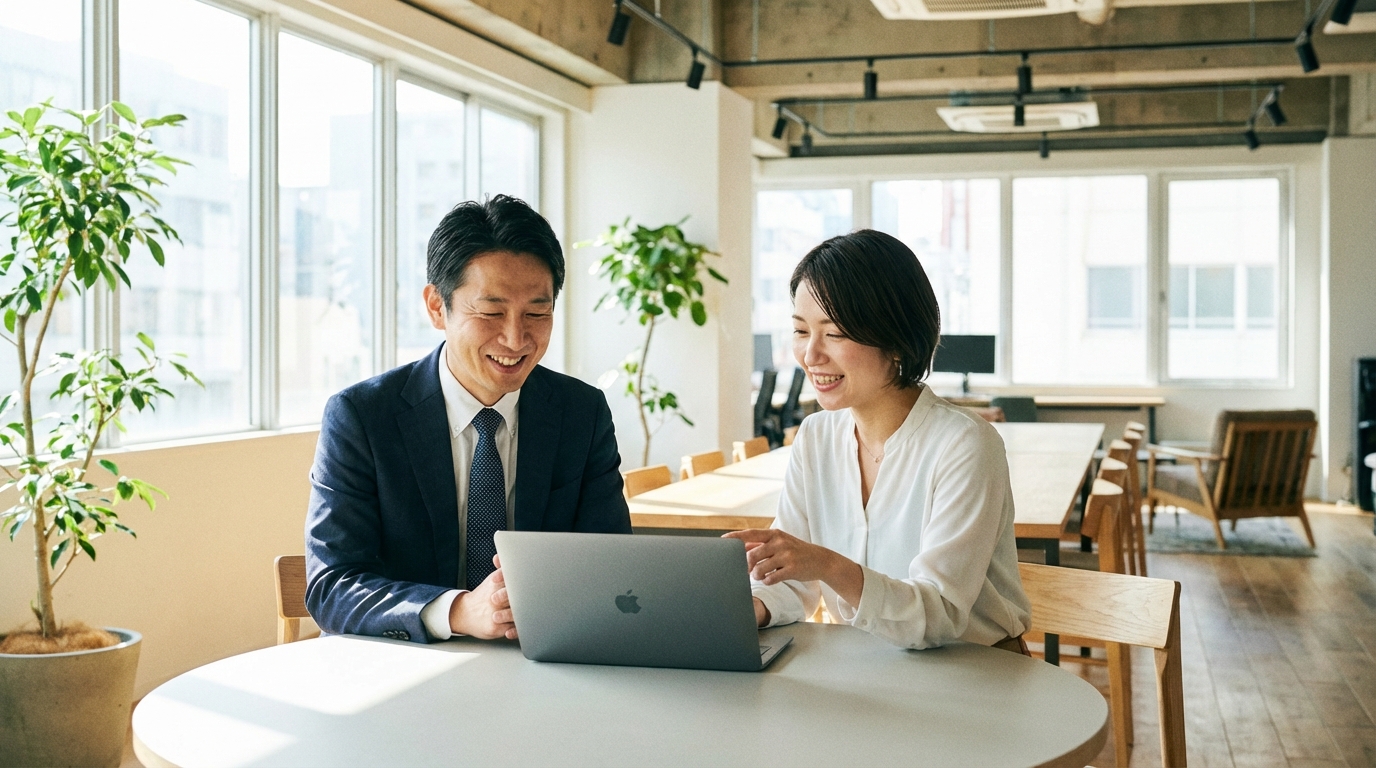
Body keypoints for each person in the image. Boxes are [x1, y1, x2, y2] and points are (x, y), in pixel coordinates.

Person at [305, 195, 632, 644]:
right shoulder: (362, 417)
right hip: (398, 672)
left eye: (537, 312)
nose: (516, 338)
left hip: (540, 666)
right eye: (491, 312)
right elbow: (333, 586)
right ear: (437, 307)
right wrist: (459, 611)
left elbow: (612, 565)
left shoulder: (581, 413)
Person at [726, 229, 1030, 652]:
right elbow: (792, 584)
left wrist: (828, 565)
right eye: (800, 331)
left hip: (975, 675)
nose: (810, 355)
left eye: (833, 333)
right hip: (866, 673)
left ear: (897, 340)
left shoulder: (965, 445)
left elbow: (938, 613)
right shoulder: (816, 437)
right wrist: (742, 611)